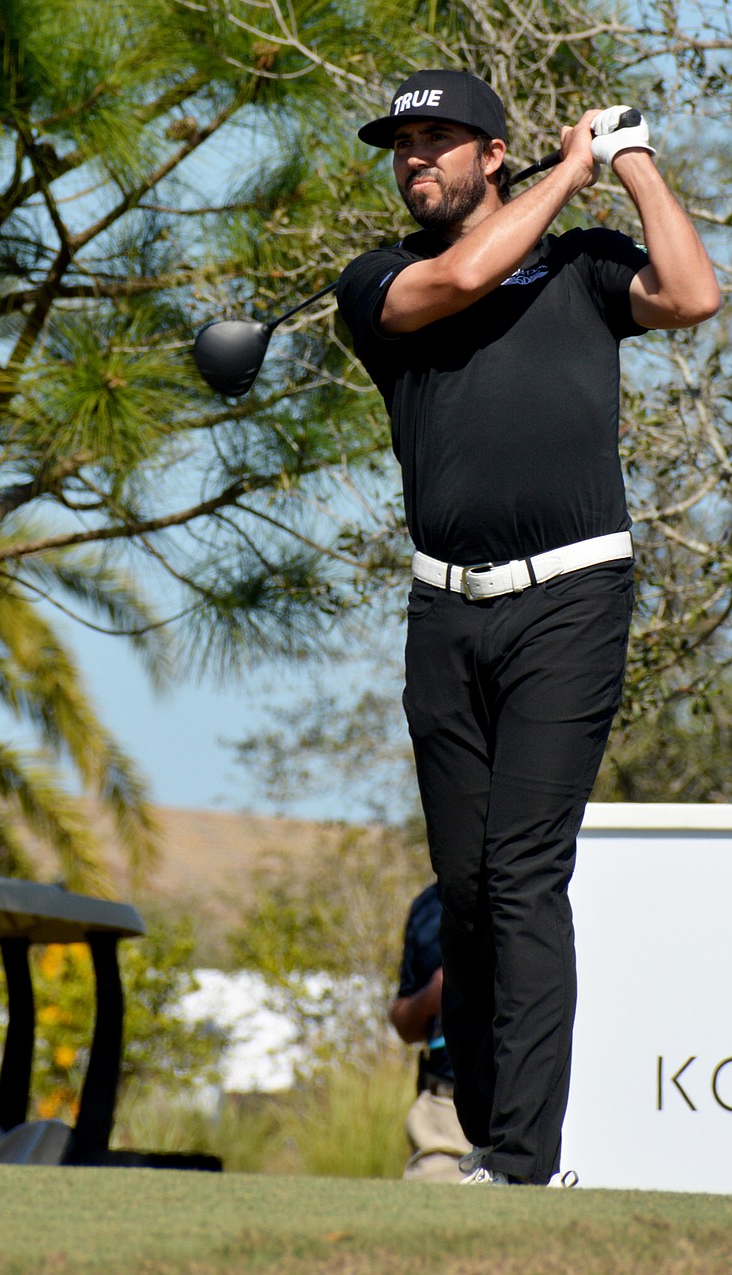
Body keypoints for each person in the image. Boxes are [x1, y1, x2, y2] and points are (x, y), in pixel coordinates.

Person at [336, 69, 720, 1187]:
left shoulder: (586, 259)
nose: (417, 158)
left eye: (441, 139)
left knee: (520, 875)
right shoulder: (377, 280)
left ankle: (519, 1157)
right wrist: (572, 165)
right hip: (442, 612)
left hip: (572, 597)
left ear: (488, 153)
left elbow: (693, 296)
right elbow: (461, 274)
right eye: (403, 145)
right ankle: (483, 1144)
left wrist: (632, 156)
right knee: (463, 891)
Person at [390, 881, 472, 1182]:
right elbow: (403, 1022)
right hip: (444, 1112)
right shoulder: (427, 906)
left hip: (521, 1107)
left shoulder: (537, 892)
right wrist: (430, 997)